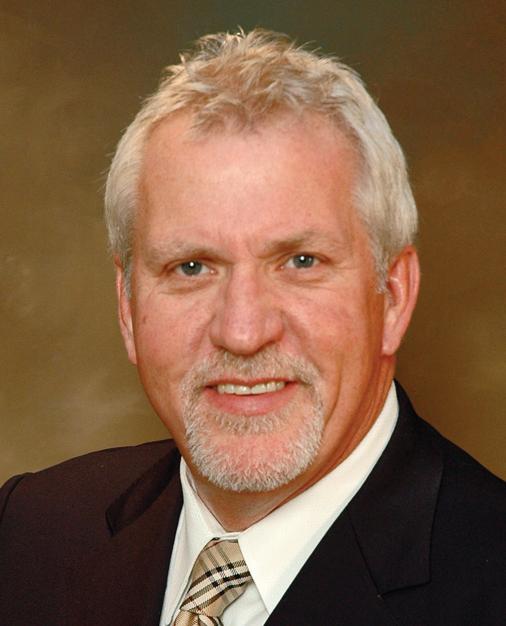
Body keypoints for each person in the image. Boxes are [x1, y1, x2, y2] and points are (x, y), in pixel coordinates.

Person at [0, 29, 504, 626]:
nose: (242, 331)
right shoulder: (27, 534)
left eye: (300, 262)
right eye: (192, 267)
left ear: (392, 296)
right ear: (127, 305)